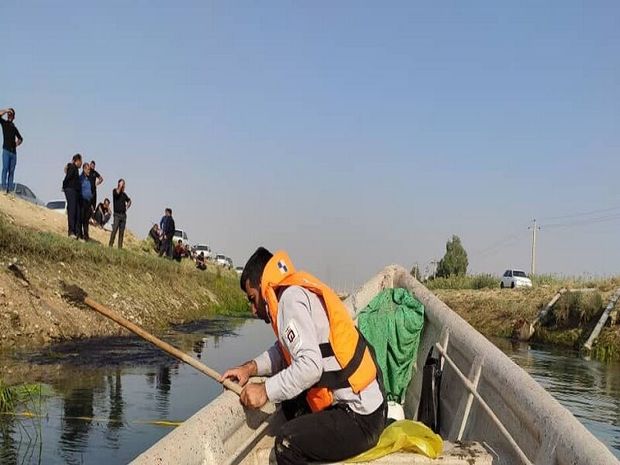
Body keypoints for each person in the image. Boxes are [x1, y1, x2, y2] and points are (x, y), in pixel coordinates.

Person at [222, 247, 386, 465]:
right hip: (372, 406)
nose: (253, 309)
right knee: (290, 404)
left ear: (263, 287)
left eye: (252, 299)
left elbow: (310, 367)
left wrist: (265, 390)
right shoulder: (293, 292)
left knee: (286, 443)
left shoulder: (289, 300)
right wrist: (250, 368)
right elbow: (284, 351)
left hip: (360, 418)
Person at [0, 108, 23, 193]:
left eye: (11, 114)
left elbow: (20, 138)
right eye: (8, 114)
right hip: (6, 150)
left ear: (14, 117)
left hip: (13, 153)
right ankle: (3, 188)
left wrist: (16, 144)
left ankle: (9, 190)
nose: (9, 115)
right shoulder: (4, 123)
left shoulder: (14, 127)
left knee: (11, 171)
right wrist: (6, 110)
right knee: (5, 169)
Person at [62, 154, 83, 239]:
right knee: (72, 211)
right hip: (71, 190)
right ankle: (71, 232)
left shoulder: (76, 169)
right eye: (80, 161)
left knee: (77, 212)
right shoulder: (72, 167)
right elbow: (67, 178)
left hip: (75, 192)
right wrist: (64, 187)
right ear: (76, 161)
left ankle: (77, 234)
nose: (81, 163)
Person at [108, 179, 131, 249]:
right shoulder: (115, 191)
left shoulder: (124, 195)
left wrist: (126, 207)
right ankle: (110, 245)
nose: (123, 185)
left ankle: (119, 248)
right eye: (122, 184)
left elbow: (129, 201)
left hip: (123, 216)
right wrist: (120, 186)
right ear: (118, 184)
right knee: (114, 230)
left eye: (123, 184)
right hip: (117, 215)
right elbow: (117, 193)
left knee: (121, 233)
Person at [78, 163, 94, 241]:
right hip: (82, 201)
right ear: (84, 169)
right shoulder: (80, 178)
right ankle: (80, 235)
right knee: (81, 219)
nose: (89, 171)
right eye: (87, 169)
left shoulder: (89, 179)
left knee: (86, 220)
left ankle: (86, 236)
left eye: (89, 170)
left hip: (88, 202)